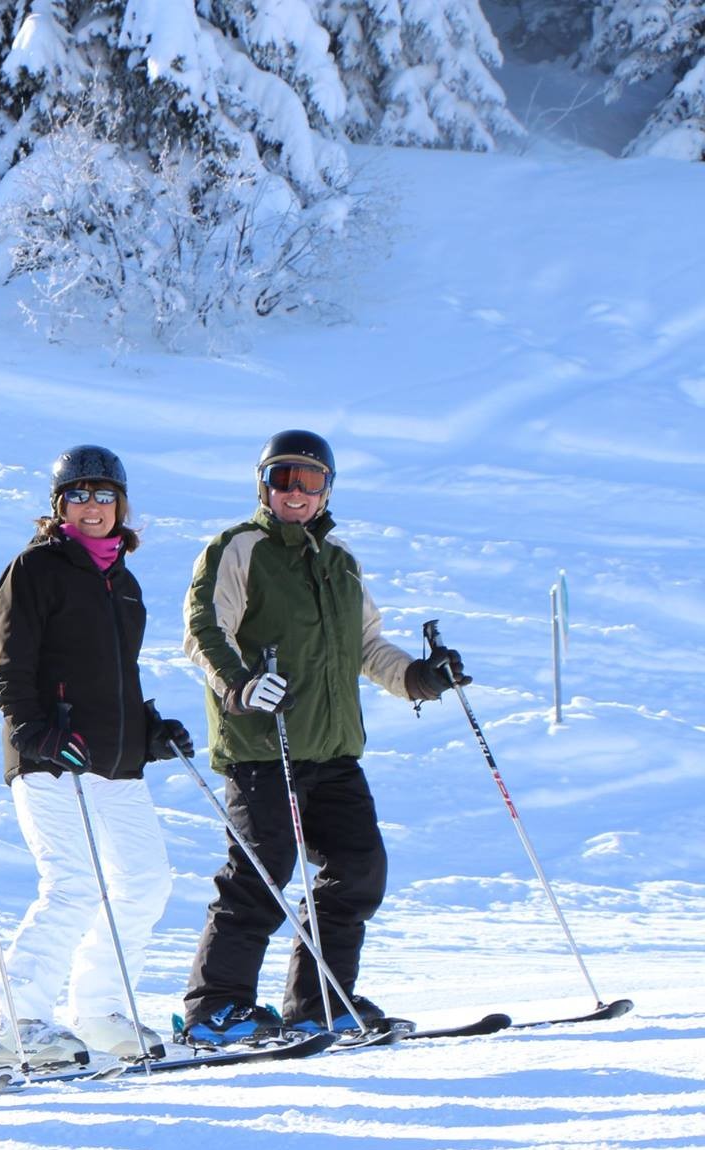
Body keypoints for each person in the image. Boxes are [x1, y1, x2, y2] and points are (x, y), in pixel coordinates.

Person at [178, 430, 468, 1046]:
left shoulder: (340, 559)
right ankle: (216, 1008)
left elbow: (366, 646)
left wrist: (419, 678)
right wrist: (240, 685)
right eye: (282, 478)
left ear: (327, 490)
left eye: (309, 481)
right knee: (262, 874)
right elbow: (204, 629)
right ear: (263, 485)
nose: (296, 492)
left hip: (333, 748)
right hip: (265, 745)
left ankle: (321, 1002)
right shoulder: (238, 547)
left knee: (358, 870)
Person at [0, 445, 192, 1067]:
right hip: (52, 755)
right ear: (60, 506)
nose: (92, 506)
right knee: (73, 884)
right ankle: (19, 1023)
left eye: (105, 495)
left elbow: (118, 677)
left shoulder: (123, 583)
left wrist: (149, 729)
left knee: (146, 881)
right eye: (78, 495)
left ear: (121, 506)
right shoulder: (35, 568)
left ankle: (100, 1010)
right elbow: (11, 668)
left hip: (115, 759)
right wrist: (34, 733)